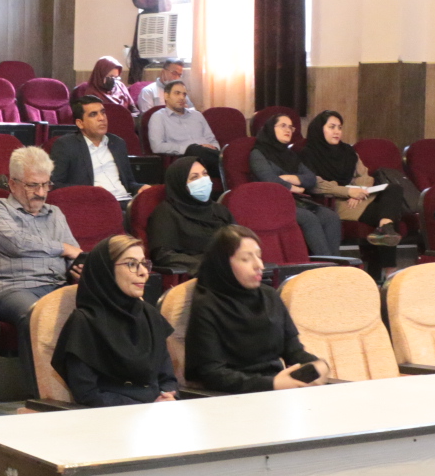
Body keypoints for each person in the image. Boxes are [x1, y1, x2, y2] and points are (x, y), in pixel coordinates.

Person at [184, 224, 330, 393]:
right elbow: (212, 375)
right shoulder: (206, 305)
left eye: (259, 256)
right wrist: (272, 384)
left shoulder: (269, 296)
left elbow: (294, 351)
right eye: (246, 259)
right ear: (223, 264)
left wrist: (317, 365)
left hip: (278, 390)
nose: (259, 265)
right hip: (233, 396)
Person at [51, 235, 179, 407]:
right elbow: (87, 393)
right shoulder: (84, 322)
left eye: (144, 263)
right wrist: (143, 408)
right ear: (107, 270)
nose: (143, 272)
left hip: (158, 413)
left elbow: (167, 378)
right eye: (131, 264)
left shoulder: (149, 314)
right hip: (111, 416)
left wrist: (167, 395)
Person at [0, 145, 78, 334]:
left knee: (99, 313)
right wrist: (63, 248)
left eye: (46, 184)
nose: (41, 192)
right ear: (12, 184)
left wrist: (79, 269)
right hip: (13, 288)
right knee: (39, 316)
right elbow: (17, 244)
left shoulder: (55, 213)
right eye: (33, 185)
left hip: (58, 286)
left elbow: (75, 254)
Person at [302, 110, 406, 276]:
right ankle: (389, 269)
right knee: (389, 213)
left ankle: (384, 229)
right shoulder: (308, 153)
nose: (337, 131)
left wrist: (359, 191)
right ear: (320, 129)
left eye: (340, 127)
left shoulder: (348, 151)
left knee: (394, 189)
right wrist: (348, 192)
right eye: (332, 127)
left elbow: (364, 175)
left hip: (358, 197)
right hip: (335, 202)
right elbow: (315, 184)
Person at [250, 113, 343, 257]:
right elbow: (269, 180)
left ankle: (336, 260)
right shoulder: (258, 153)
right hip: (272, 202)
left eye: (291, 127)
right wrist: (294, 187)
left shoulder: (290, 154)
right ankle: (328, 263)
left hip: (297, 201)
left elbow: (311, 178)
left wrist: (289, 178)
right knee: (308, 218)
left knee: (330, 217)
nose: (288, 130)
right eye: (283, 126)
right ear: (270, 128)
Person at [49, 94, 146, 210]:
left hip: (125, 202)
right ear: (80, 123)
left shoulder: (117, 143)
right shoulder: (66, 145)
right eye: (93, 114)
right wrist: (89, 192)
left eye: (103, 112)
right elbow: (55, 184)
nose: (102, 118)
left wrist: (140, 188)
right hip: (93, 205)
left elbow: (129, 183)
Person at [146, 154, 233, 276]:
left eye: (205, 174)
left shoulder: (219, 210)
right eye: (194, 177)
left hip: (230, 270)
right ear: (180, 183)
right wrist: (205, 266)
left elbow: (238, 242)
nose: (203, 180)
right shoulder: (166, 212)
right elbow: (162, 254)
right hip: (198, 275)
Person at [144, 81, 220, 157]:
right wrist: (189, 149)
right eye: (177, 93)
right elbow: (157, 146)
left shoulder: (197, 115)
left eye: (184, 94)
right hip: (184, 157)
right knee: (195, 152)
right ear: (166, 96)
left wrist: (215, 148)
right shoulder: (158, 117)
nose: (182, 97)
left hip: (210, 155)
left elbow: (212, 140)